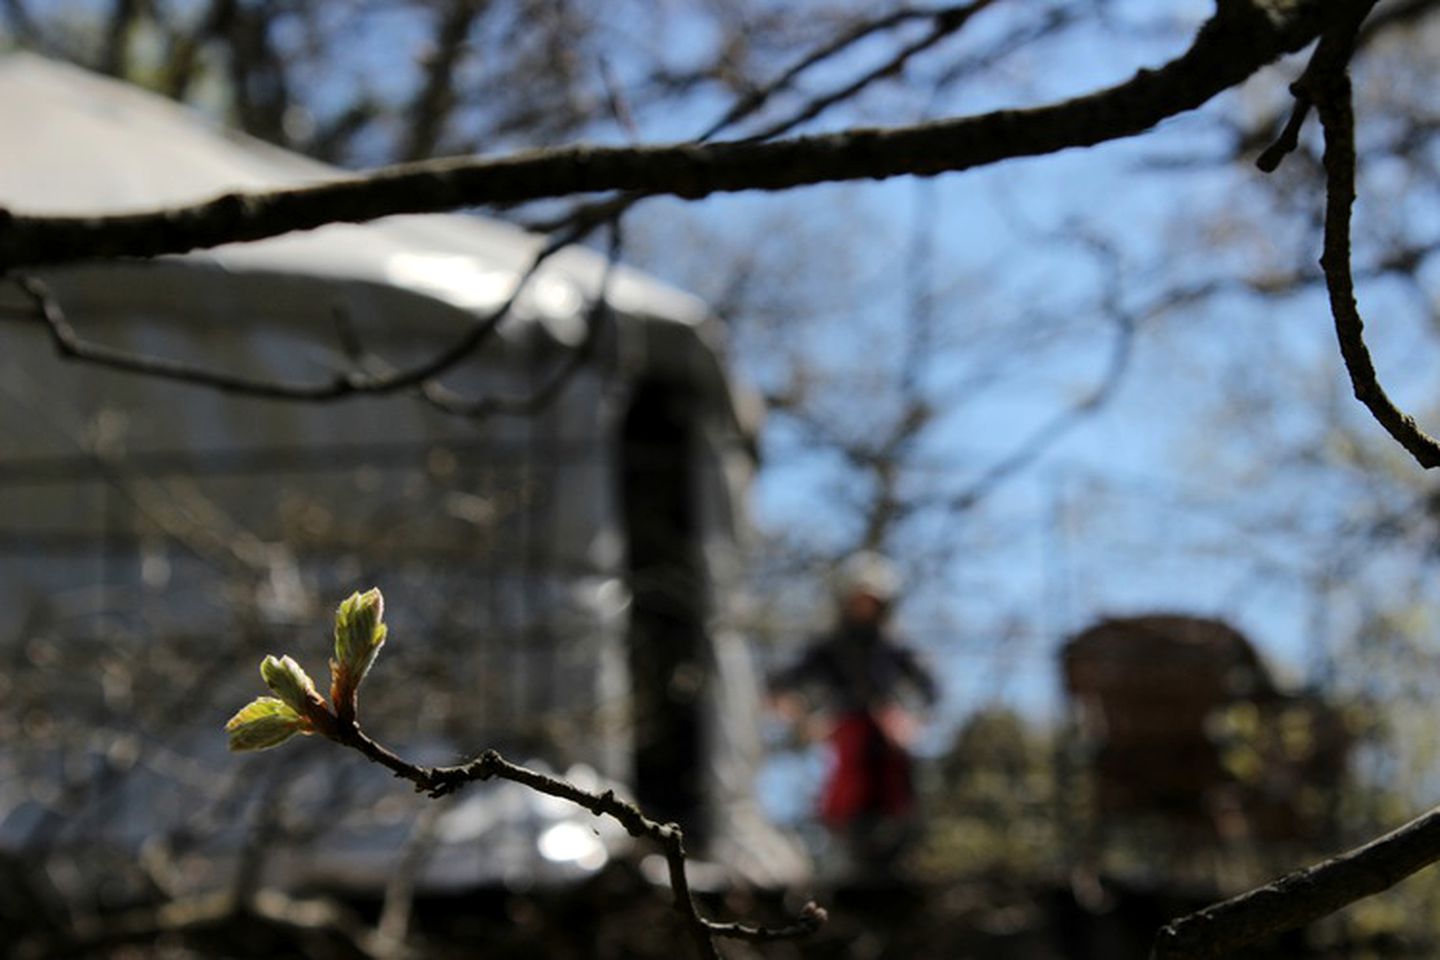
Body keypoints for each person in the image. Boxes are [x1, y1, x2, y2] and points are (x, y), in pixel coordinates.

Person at [769, 552, 939, 879]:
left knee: (898, 800)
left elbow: (930, 690)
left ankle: (899, 861)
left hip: (887, 739)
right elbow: (786, 682)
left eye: (871, 601)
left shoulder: (894, 648)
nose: (863, 607)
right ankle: (848, 863)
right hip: (846, 734)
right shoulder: (830, 648)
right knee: (846, 805)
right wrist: (802, 712)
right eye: (858, 599)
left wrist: (909, 720)